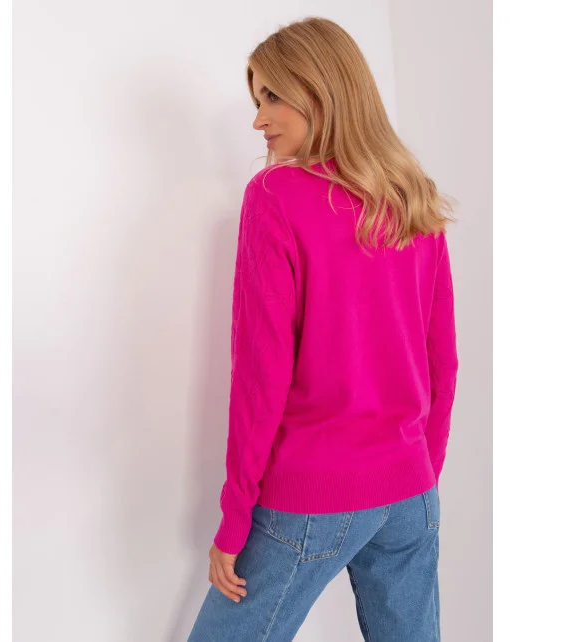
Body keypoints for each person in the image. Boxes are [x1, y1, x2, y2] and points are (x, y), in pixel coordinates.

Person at [188, 16, 458, 642]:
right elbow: (442, 360)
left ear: (318, 90)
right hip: (409, 492)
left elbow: (261, 377)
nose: (258, 119)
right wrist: (421, 473)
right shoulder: (411, 195)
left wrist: (234, 520)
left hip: (313, 494)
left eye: (271, 97)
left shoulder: (276, 196)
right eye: (256, 100)